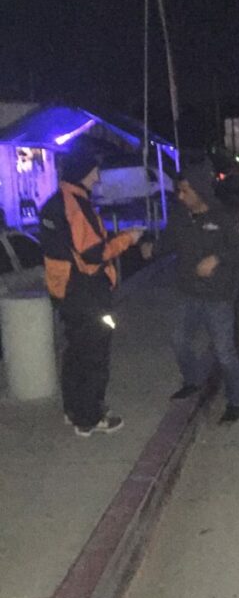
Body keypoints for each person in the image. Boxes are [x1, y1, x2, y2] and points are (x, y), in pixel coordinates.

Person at [39, 142, 143, 437]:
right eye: (95, 169)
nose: (98, 175)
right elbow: (93, 253)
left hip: (65, 290)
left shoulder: (55, 202)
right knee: (93, 355)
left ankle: (74, 410)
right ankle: (90, 416)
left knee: (75, 353)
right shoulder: (75, 204)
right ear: (84, 171)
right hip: (86, 292)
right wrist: (128, 239)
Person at [141, 162, 239, 424]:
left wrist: (216, 258)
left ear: (199, 190)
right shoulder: (180, 217)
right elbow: (168, 243)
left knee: (224, 353)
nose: (180, 196)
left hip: (218, 296)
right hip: (188, 292)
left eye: (185, 190)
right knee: (179, 340)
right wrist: (151, 249)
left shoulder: (224, 216)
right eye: (179, 191)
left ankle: (235, 401)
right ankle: (193, 381)